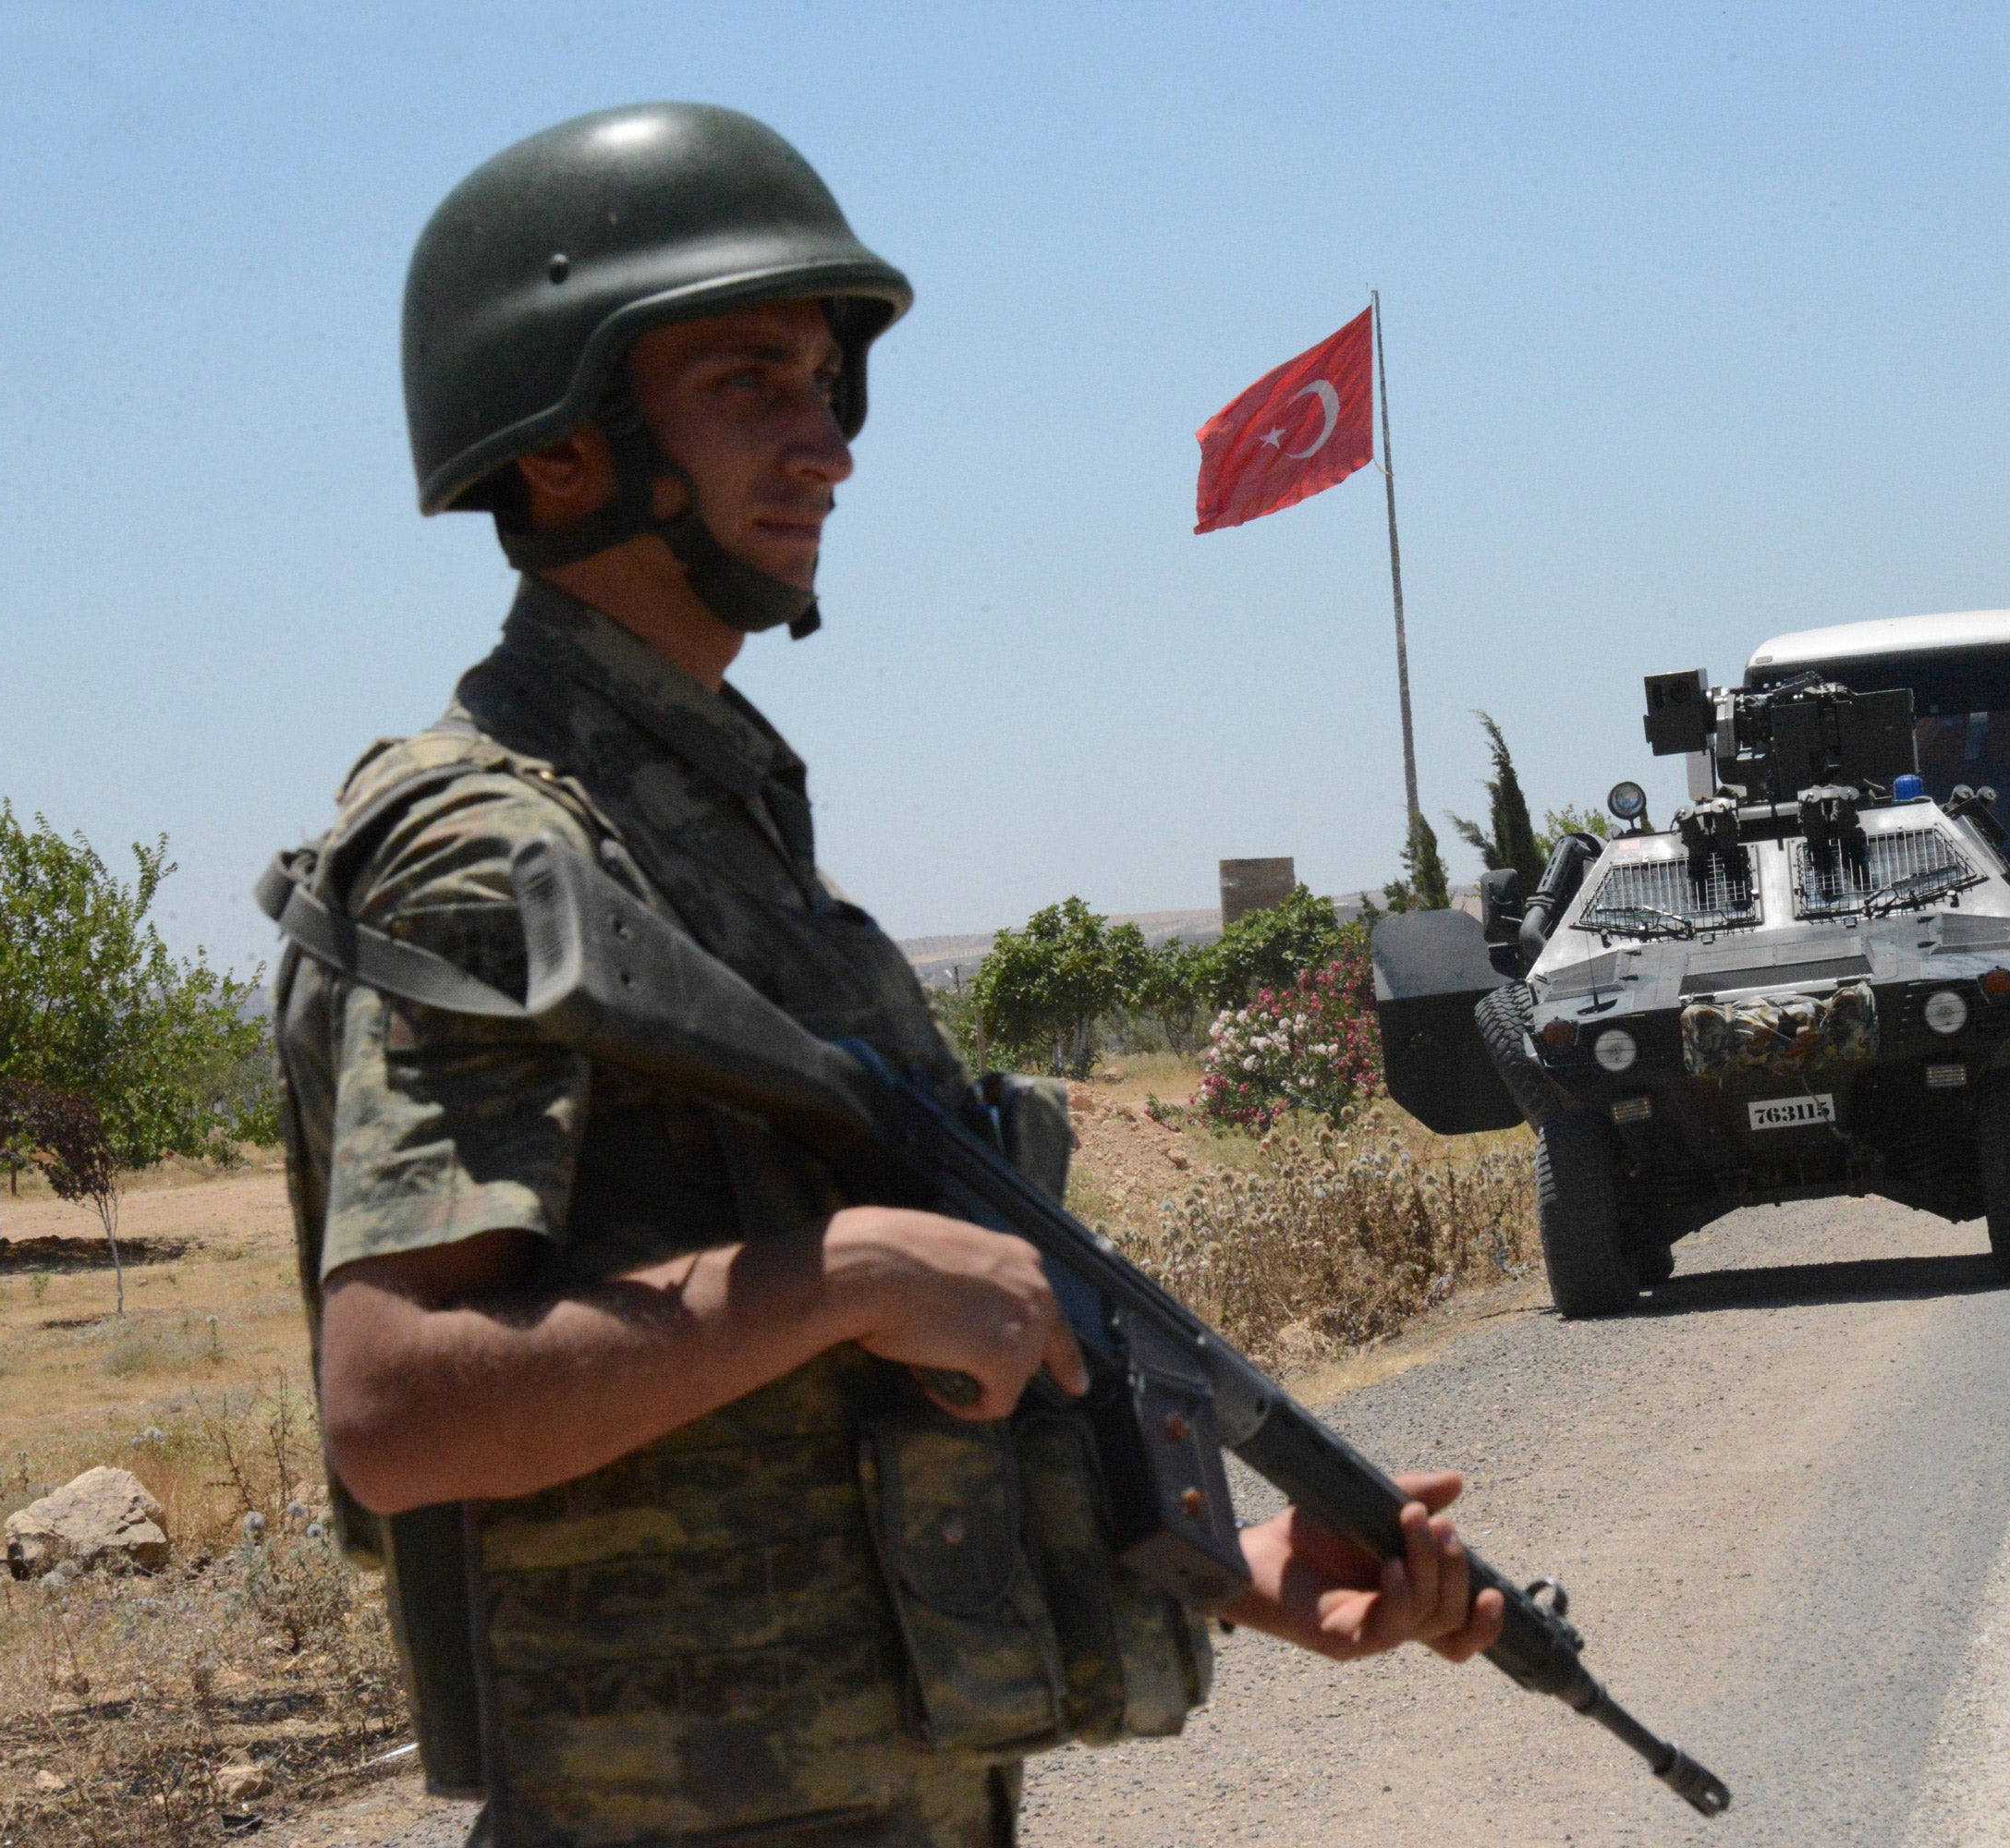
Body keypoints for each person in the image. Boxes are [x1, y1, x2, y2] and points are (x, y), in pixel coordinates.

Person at [268, 103, 1504, 1848]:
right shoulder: (494, 853)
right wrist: (839, 1272)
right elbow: (396, 1409)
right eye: (748, 385)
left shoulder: (708, 822)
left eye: (828, 388)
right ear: (559, 450)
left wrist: (1251, 1570)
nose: (824, 446)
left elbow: (867, 1419)